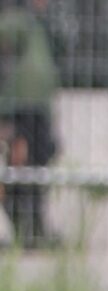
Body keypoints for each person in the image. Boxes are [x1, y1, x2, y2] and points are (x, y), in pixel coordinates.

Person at [0, 0, 58, 250]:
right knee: (18, 169)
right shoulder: (17, 21)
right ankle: (22, 230)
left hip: (39, 110)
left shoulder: (38, 25)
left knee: (39, 166)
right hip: (19, 110)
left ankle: (35, 230)